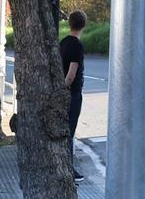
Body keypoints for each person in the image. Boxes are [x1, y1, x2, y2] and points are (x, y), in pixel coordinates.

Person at [59, 10, 87, 184]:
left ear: (70, 23)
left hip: (65, 93)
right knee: (69, 131)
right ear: (83, 25)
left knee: (65, 130)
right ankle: (68, 170)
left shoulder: (63, 43)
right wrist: (65, 88)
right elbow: (71, 75)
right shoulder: (77, 45)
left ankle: (64, 166)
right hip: (73, 93)